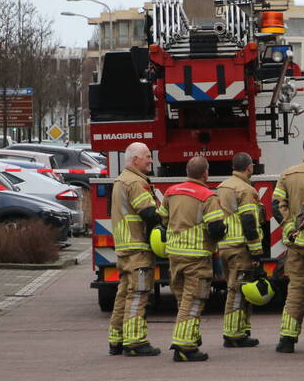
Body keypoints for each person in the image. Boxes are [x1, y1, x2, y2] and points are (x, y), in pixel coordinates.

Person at [158, 155, 226, 362]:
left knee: (183, 299)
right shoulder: (208, 197)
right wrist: (224, 230)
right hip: (197, 256)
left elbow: (162, 219)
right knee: (194, 300)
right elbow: (215, 229)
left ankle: (191, 338)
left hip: (174, 254)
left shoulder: (171, 192)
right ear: (205, 173)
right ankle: (184, 346)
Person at [271, 133, 304, 354]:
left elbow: (276, 204)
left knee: (296, 290)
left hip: (295, 243)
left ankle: (287, 338)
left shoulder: (287, 174)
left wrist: (289, 225)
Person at [109, 142, 162, 356]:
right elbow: (148, 213)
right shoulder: (136, 182)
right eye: (147, 156)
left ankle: (117, 339)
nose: (150, 159)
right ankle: (135, 342)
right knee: (139, 294)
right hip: (138, 248)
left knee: (123, 294)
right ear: (134, 160)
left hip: (125, 248)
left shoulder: (121, 180)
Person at [216, 152, 265, 346]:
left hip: (225, 246)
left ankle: (242, 330)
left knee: (237, 288)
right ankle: (233, 334)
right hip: (240, 248)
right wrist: (256, 251)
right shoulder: (246, 190)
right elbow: (248, 220)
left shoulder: (222, 186)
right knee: (237, 291)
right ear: (249, 167)